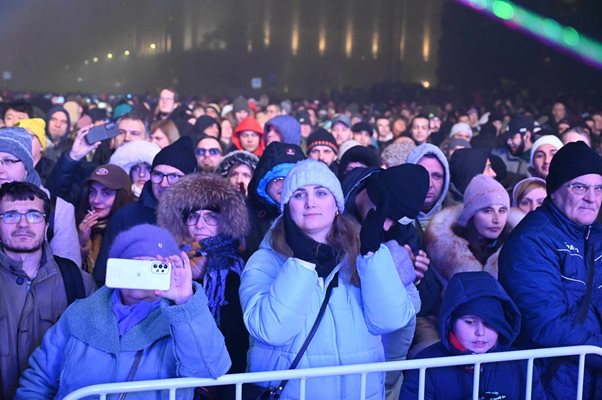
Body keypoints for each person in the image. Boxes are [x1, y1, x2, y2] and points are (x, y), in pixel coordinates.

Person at [240, 159, 416, 400]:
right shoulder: (265, 260)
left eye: (321, 193)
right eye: (299, 194)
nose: (310, 202)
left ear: (336, 205)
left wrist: (373, 255)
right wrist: (301, 263)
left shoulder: (363, 256)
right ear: (287, 206)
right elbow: (271, 331)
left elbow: (391, 321)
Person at [16, 224, 231, 399]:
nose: (140, 273)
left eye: (152, 266)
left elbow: (208, 371)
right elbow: (39, 380)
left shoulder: (181, 320)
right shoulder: (79, 313)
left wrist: (185, 301)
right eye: (131, 264)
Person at [498, 141, 602, 399]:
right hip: (548, 381)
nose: (592, 198)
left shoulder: (595, 236)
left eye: (599, 188)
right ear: (554, 190)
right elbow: (547, 325)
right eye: (580, 187)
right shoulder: (531, 240)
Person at [0, 181, 95, 399]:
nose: (23, 224)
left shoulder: (77, 281)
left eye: (34, 215)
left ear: (46, 225)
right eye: (10, 215)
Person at [157, 173, 250, 377]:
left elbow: (235, 333)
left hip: (219, 370)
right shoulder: (168, 260)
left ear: (225, 222)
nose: (200, 224)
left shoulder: (231, 268)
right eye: (193, 216)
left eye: (211, 217)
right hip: (170, 366)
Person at [400, 271, 546, 400]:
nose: (480, 332)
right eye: (469, 322)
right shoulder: (425, 367)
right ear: (450, 321)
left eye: (489, 323)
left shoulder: (521, 363)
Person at [93, 136, 197, 286]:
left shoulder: (201, 220)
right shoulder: (126, 216)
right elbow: (103, 275)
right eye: (158, 174)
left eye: (174, 176)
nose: (163, 183)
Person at [0, 127, 82, 266]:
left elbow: (67, 272)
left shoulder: (58, 210)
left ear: (26, 167)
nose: (0, 169)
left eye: (8, 161)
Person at [427, 174, 522, 282]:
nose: (497, 219)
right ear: (471, 215)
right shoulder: (445, 253)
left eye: (502, 210)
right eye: (487, 211)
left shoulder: (516, 249)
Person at [77, 165, 132, 273]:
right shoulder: (79, 224)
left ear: (122, 196)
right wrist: (82, 242)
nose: (96, 200)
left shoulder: (131, 229)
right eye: (92, 192)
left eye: (106, 193)